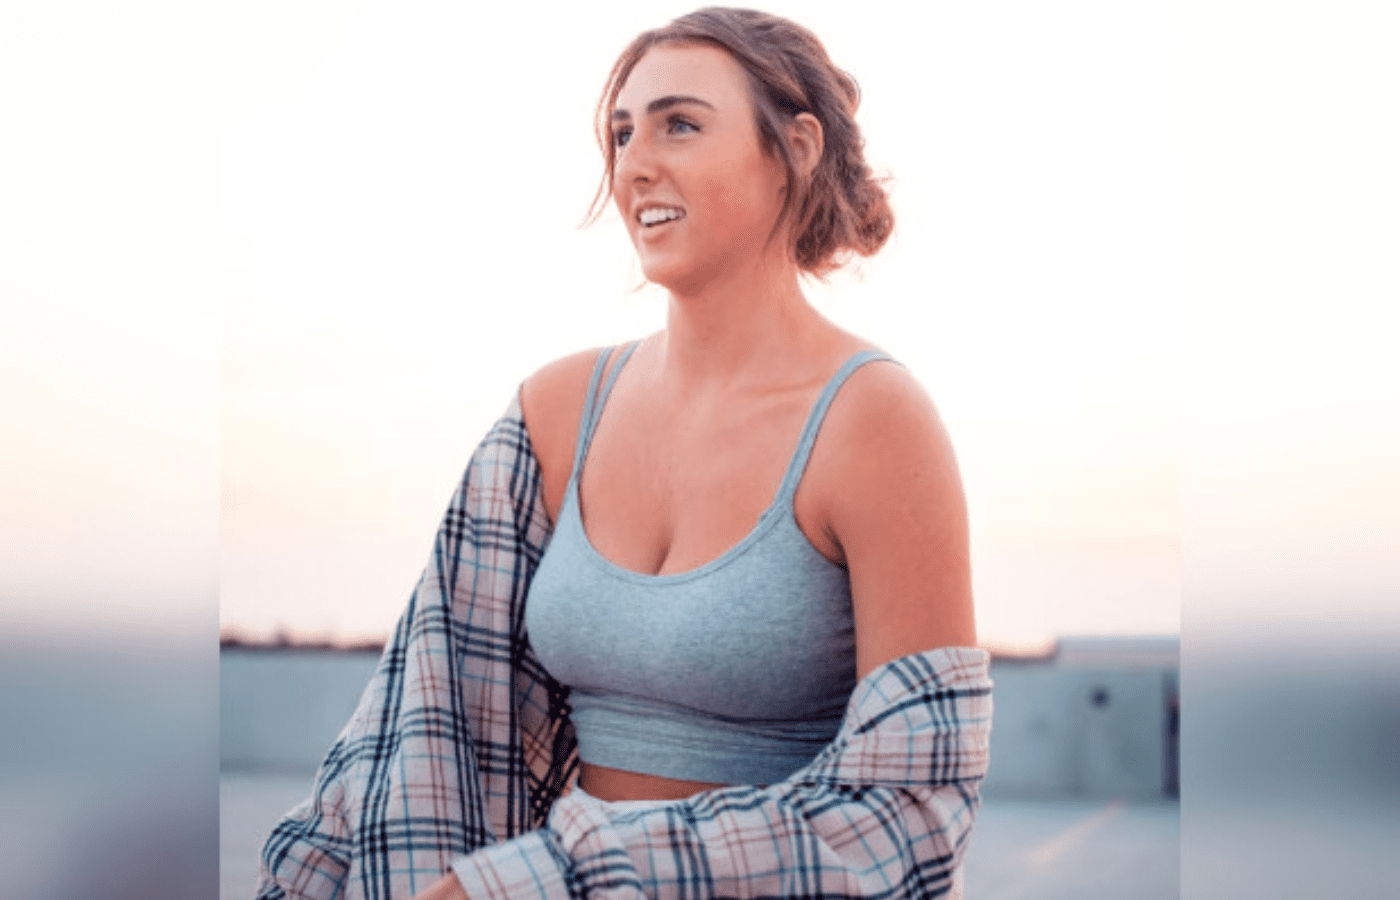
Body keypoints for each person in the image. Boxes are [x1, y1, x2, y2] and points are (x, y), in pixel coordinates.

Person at [257, 8, 992, 900]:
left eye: (681, 123)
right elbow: (420, 716)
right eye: (621, 131)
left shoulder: (873, 421)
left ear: (796, 149)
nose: (635, 162)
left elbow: (912, 809)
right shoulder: (558, 411)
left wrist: (557, 876)